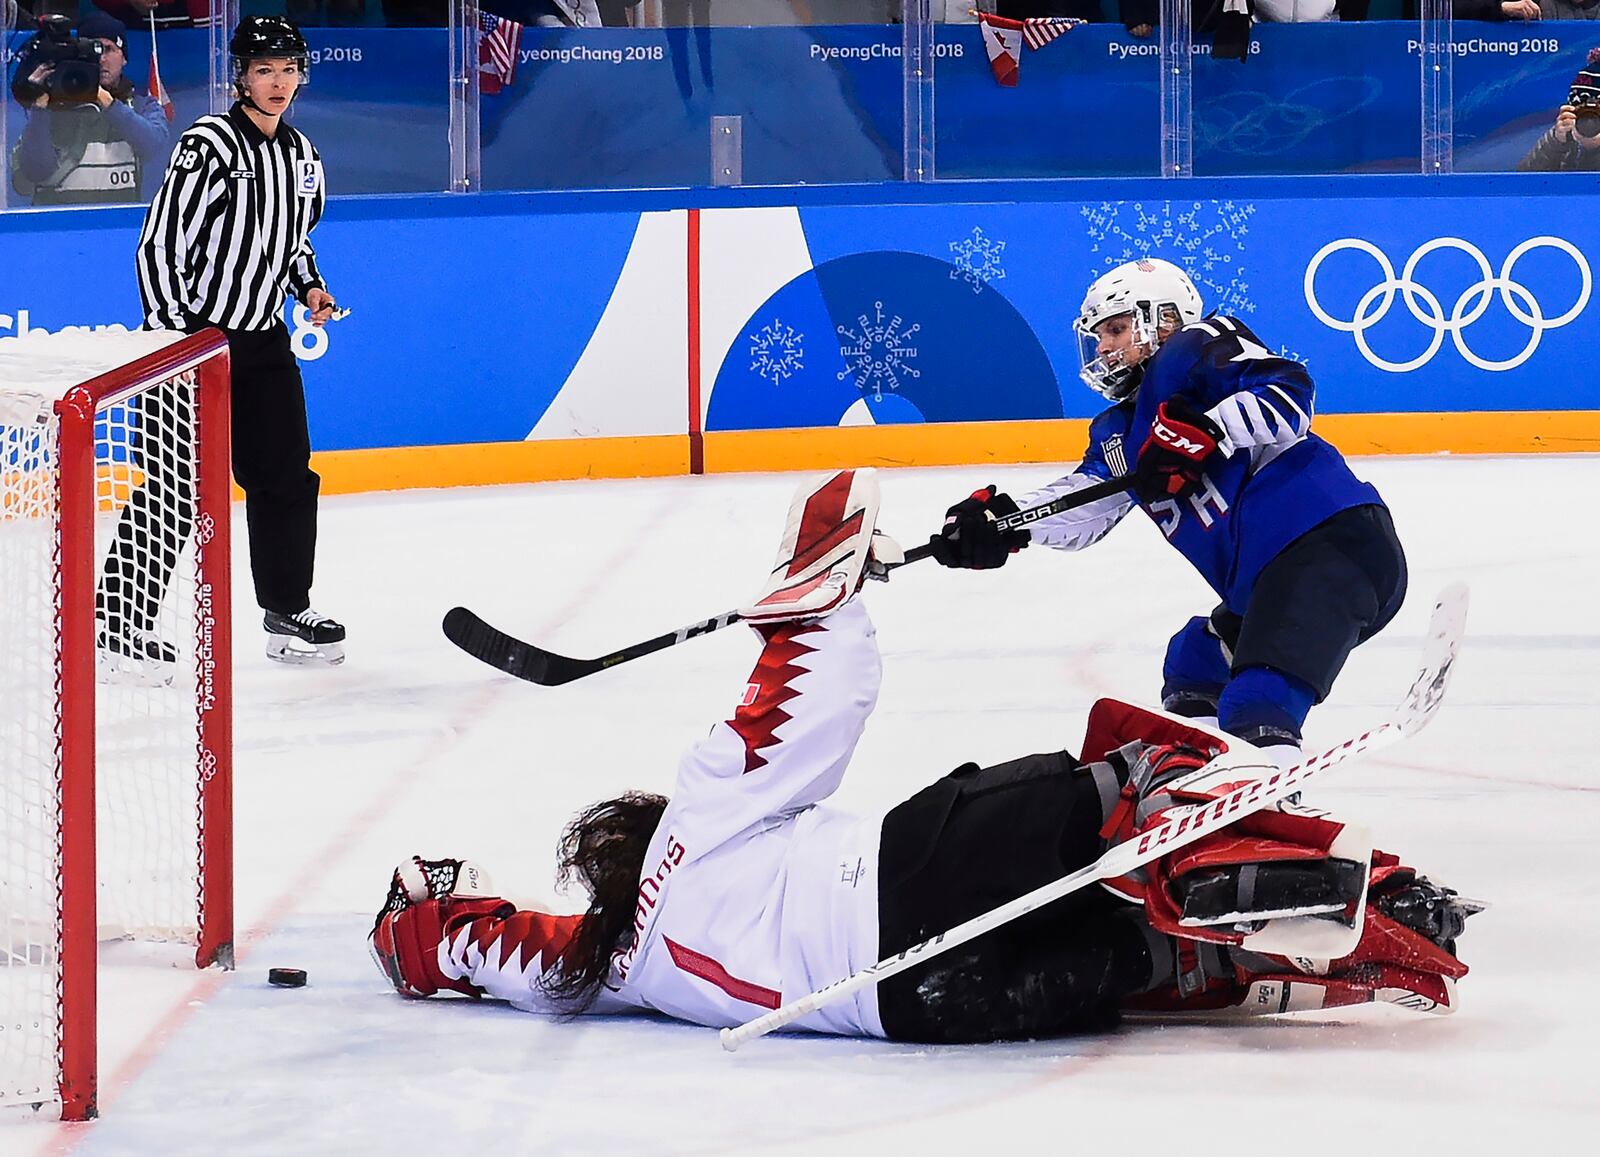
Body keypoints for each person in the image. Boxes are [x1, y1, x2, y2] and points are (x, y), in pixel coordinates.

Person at [368, 470, 1475, 1043]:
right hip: (905, 879)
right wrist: (821, 595)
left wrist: (427, 929)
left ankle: (1284, 951)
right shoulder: (693, 826)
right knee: (1126, 781)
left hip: (931, 1005)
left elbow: (503, 955)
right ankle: (1320, 876)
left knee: (1135, 950)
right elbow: (803, 705)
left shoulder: (623, 968)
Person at [926, 259, 1406, 771]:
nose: (1105, 346)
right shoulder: (1119, 431)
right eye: (1099, 336)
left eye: (1116, 328)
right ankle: (1193, 789)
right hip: (1272, 580)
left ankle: (1275, 825)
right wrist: (1007, 522)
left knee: (1257, 702)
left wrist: (1209, 430)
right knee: (1195, 660)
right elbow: (1089, 499)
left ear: (1165, 320)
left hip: (1332, 544)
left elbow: (1289, 395)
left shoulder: (1196, 349)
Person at [99, 14, 345, 675]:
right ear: (240, 76)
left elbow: (292, 242)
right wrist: (177, 339)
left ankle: (287, 609)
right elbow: (159, 246)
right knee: (176, 484)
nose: (277, 82)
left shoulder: (301, 156)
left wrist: (311, 289)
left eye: (287, 69)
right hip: (192, 344)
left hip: (263, 342)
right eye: (264, 70)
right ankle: (118, 620)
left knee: (286, 478)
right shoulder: (208, 143)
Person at [9, 10, 170, 206]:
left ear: (124, 58)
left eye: (109, 49)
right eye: (94, 49)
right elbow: (35, 171)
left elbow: (152, 145)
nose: (102, 58)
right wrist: (40, 109)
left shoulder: (141, 105)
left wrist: (108, 103)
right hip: (58, 227)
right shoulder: (52, 105)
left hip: (120, 226)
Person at [1519, 49, 1600, 173]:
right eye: (1582, 109)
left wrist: (1594, 151)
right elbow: (1524, 180)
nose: (1589, 119)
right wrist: (1555, 141)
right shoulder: (1566, 133)